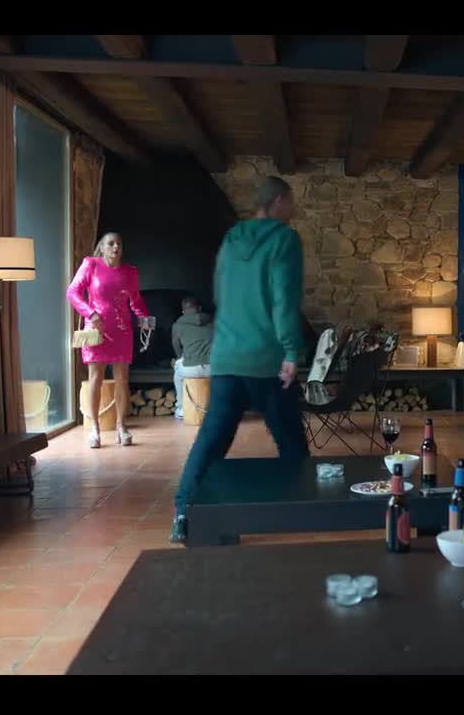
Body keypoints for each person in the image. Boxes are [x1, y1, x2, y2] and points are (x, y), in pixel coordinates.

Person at [170, 176, 308, 544]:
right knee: (292, 443)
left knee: (211, 441)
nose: (292, 209)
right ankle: (297, 512)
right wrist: (291, 351)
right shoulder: (284, 239)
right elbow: (284, 299)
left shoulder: (232, 239)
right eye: (290, 202)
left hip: (228, 357)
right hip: (266, 360)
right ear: (279, 202)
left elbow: (221, 295)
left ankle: (183, 514)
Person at [66, 232, 152, 449]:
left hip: (122, 330)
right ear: (102, 247)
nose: (116, 247)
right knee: (95, 378)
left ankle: (122, 427)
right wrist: (90, 313)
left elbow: (135, 301)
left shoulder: (130, 272)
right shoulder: (91, 265)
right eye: (111, 244)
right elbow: (73, 292)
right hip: (97, 330)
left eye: (119, 244)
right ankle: (94, 428)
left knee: (122, 379)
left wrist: (144, 318)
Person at [171, 296, 215, 420]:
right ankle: (217, 408)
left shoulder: (177, 325)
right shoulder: (213, 322)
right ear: (199, 308)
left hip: (190, 369)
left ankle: (181, 408)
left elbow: (176, 347)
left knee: (177, 368)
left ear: (183, 311)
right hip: (214, 368)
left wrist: (181, 358)